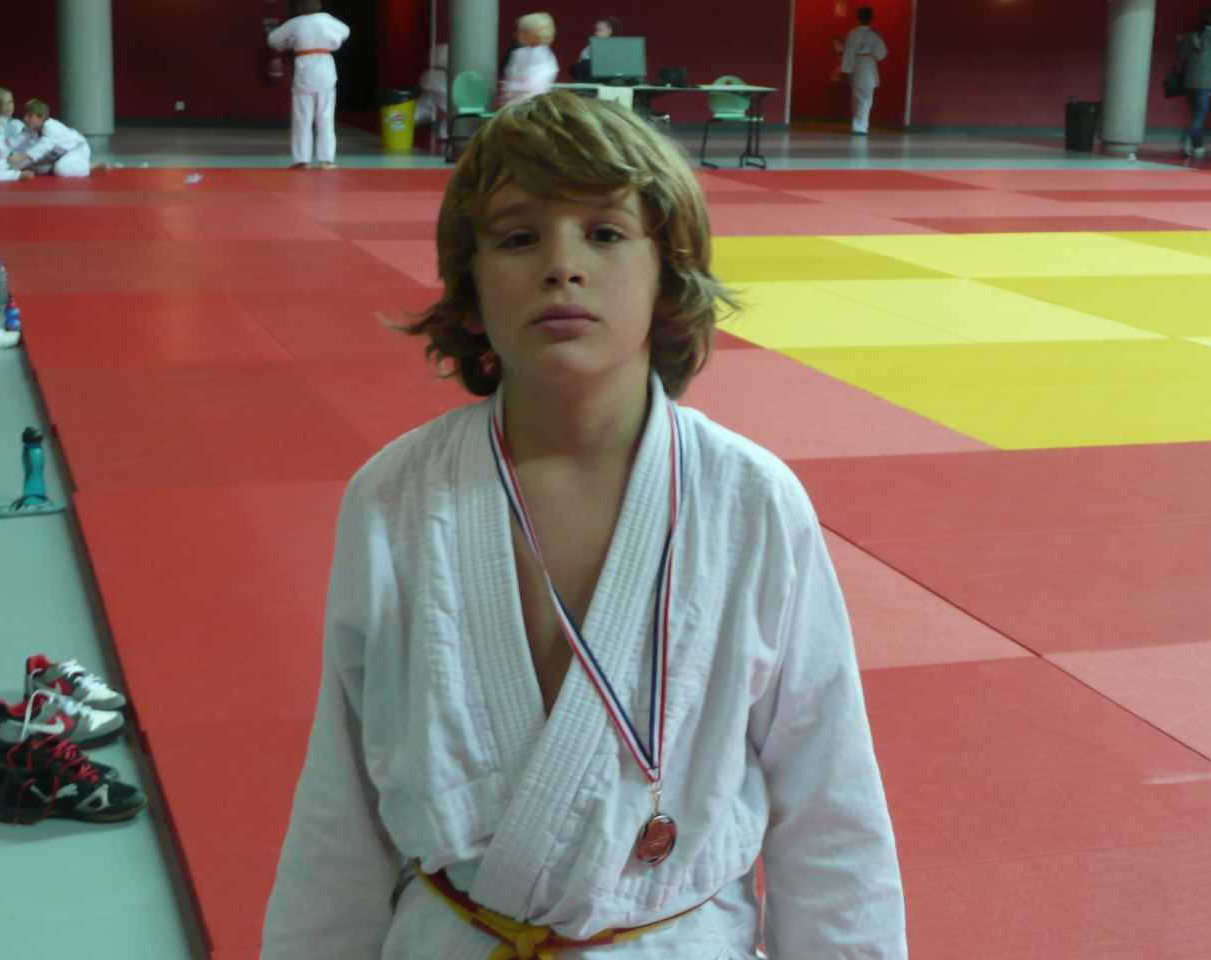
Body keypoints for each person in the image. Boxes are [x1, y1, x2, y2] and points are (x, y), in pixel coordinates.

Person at [260, 90, 906, 960]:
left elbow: (829, 798)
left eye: (605, 232)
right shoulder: (396, 496)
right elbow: (341, 801)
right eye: (518, 237)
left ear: (667, 276)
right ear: (471, 289)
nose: (562, 265)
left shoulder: (749, 499)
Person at [266, 0, 351, 170]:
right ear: (319, 7)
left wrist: (290, 42)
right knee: (325, 118)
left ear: (299, 9)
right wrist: (333, 41)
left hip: (304, 71)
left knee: (302, 119)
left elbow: (272, 39)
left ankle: (303, 161)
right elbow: (345, 31)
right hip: (325, 71)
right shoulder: (326, 19)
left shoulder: (295, 23)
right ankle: (326, 160)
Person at [1177, 10, 1211, 159]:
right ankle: (1186, 137)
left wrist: (1180, 43)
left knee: (1197, 114)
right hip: (1207, 82)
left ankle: (1199, 146)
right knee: (1200, 114)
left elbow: (1180, 57)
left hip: (1189, 81)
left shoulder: (1189, 37)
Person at [9, 100, 109, 177]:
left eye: (30, 116)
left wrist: (20, 156)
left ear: (41, 117)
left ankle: (93, 165)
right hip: (57, 154)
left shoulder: (53, 128)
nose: (25, 119)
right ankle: (56, 165)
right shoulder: (31, 127)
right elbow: (18, 140)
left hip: (77, 149)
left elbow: (42, 147)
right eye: (25, 115)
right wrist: (4, 144)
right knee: (34, 165)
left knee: (60, 170)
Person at [841, 6, 887, 135]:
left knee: (856, 96)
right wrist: (873, 55)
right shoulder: (874, 35)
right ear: (870, 18)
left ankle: (858, 124)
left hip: (856, 64)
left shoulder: (852, 34)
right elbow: (882, 53)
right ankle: (861, 125)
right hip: (868, 65)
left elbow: (848, 53)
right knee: (866, 97)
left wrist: (847, 70)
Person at [501, 13, 559, 104]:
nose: (519, 34)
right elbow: (510, 79)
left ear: (537, 33)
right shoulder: (518, 54)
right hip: (512, 103)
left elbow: (533, 86)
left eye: (524, 31)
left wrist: (514, 86)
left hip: (533, 104)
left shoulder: (546, 57)